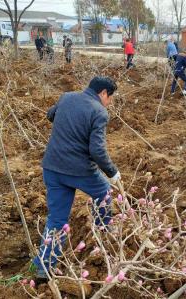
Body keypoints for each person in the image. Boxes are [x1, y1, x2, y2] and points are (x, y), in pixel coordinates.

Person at [32, 77, 121, 279]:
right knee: (105, 192)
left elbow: (50, 115)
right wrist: (113, 172)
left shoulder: (67, 97)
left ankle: (43, 267)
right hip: (79, 170)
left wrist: (68, 123)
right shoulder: (99, 111)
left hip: (52, 168)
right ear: (104, 93)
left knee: (56, 219)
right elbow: (97, 150)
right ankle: (104, 234)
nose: (109, 103)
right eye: (110, 98)